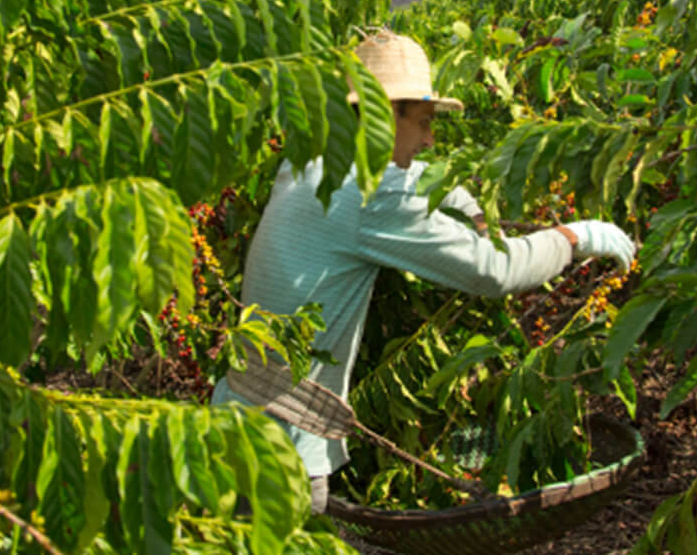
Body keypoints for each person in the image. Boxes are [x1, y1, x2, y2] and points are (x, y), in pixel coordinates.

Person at [211, 30, 634, 513]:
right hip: (280, 456)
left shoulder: (312, 158)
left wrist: (468, 207)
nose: (431, 138)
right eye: (424, 122)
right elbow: (493, 271)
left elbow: (409, 175)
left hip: (233, 419)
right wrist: (575, 238)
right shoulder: (373, 195)